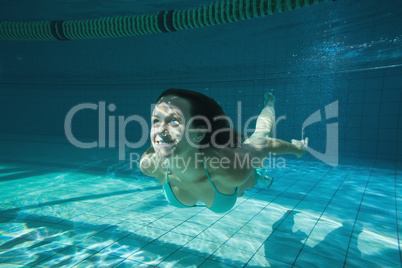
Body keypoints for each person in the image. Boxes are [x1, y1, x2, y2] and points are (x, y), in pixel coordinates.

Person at [140, 89, 308, 213]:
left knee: (261, 133)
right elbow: (161, 142)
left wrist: (297, 149)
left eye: (174, 121)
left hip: (241, 179)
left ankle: (270, 102)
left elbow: (266, 143)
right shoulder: (150, 164)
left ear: (199, 133)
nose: (160, 130)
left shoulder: (230, 169)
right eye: (156, 120)